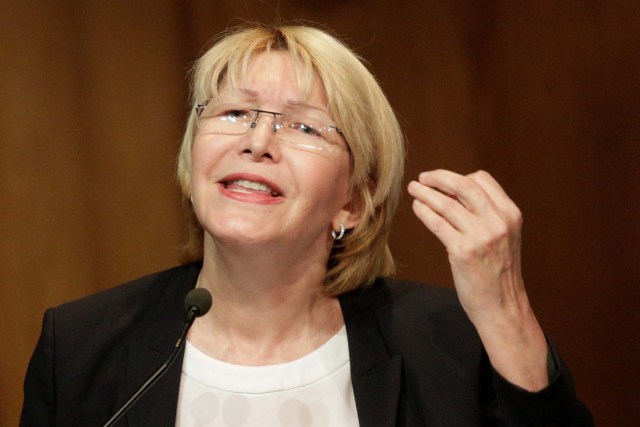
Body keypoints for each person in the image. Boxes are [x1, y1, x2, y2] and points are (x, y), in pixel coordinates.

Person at [21, 24, 593, 426]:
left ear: (355, 201)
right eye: (235, 112)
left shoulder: (448, 344)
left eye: (304, 127)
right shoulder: (80, 349)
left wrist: (505, 311)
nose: (257, 141)